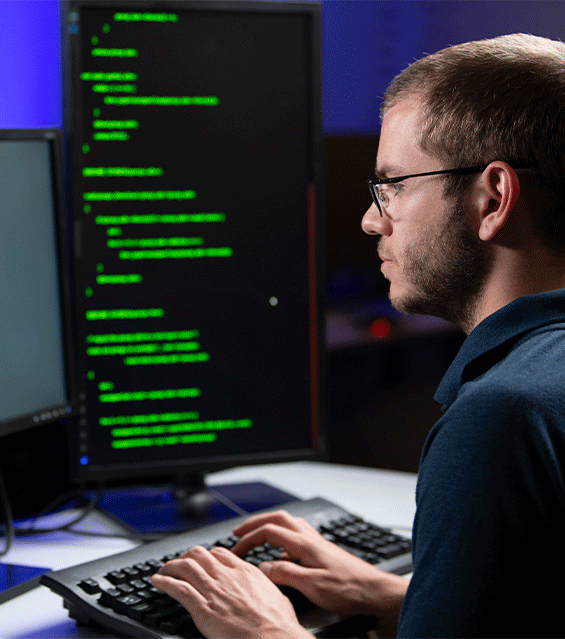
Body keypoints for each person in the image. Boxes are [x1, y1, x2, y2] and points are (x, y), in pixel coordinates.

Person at [151, 33, 565, 638]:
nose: (373, 219)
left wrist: (267, 631)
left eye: (393, 185)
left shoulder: (501, 418)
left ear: (493, 198)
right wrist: (400, 594)